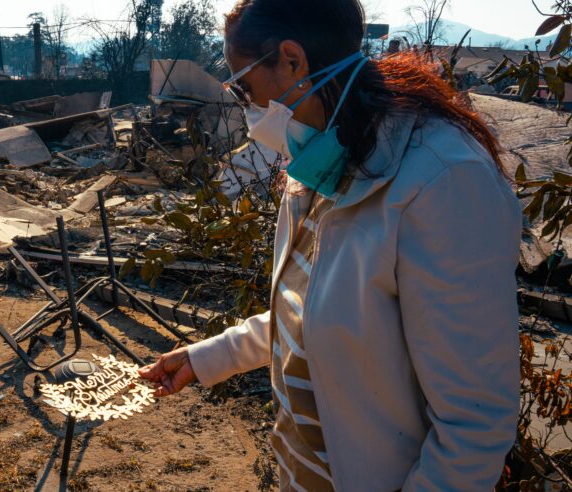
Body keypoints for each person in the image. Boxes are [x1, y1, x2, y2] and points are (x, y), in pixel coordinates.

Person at [139, 0, 523, 490]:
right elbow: (310, 315)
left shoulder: (444, 182)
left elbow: (475, 424)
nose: (247, 108)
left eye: (245, 88)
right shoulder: (324, 156)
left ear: (293, 60)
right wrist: (205, 358)